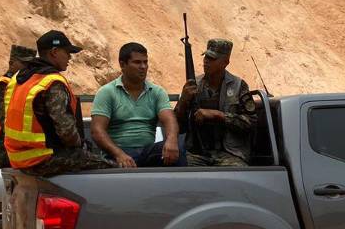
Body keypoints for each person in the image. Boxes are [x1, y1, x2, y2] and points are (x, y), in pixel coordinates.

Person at [3, 30, 110, 176]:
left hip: (17, 158)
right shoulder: (51, 82)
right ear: (54, 52)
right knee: (110, 167)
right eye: (67, 52)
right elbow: (67, 131)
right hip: (43, 159)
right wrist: (81, 144)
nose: (70, 58)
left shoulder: (19, 78)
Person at [90, 42, 182, 168]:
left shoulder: (157, 92)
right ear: (122, 65)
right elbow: (97, 130)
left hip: (147, 152)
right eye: (137, 62)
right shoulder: (106, 92)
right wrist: (119, 154)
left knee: (178, 150)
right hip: (117, 153)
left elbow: (169, 119)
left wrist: (172, 140)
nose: (143, 67)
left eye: (145, 62)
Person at [172, 38, 257, 167]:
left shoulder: (238, 86)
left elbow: (251, 123)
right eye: (206, 57)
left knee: (238, 176)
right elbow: (178, 124)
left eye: (212, 59)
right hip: (196, 153)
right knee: (183, 173)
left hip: (229, 153)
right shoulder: (194, 85)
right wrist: (183, 101)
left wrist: (219, 115)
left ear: (225, 62)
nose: (206, 61)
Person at [0, 44, 35, 168]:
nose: (29, 68)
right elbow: (8, 121)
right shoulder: (3, 85)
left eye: (31, 65)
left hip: (8, 146)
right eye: (25, 64)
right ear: (12, 63)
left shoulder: (17, 85)